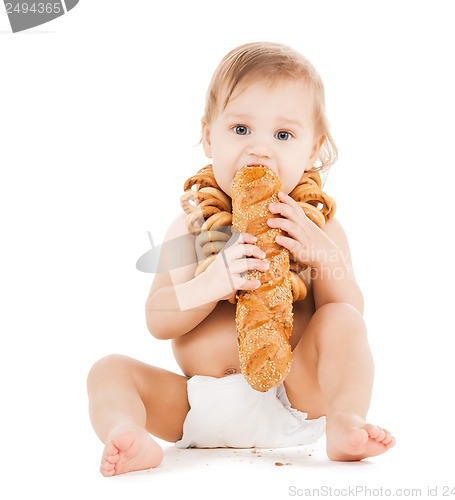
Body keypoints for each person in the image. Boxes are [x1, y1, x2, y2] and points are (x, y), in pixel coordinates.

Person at [87, 41, 396, 477]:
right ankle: (129, 433)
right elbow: (157, 318)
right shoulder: (193, 227)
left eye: (283, 135)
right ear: (208, 136)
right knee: (109, 371)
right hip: (197, 404)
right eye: (240, 129)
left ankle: (345, 422)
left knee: (343, 318)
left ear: (313, 149)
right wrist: (209, 285)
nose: (260, 150)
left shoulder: (317, 227)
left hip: (294, 396)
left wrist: (322, 257)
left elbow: (349, 315)